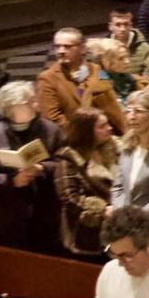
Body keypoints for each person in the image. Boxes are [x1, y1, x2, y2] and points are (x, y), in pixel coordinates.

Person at [0, 83, 63, 256]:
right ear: (12, 107)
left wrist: (41, 168)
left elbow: (64, 165)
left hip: (44, 216)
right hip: (6, 220)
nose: (37, 104)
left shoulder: (51, 130)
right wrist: (11, 181)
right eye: (30, 101)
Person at [54, 108, 119, 257]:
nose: (109, 128)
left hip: (117, 231)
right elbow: (69, 198)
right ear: (86, 131)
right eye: (102, 126)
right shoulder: (69, 158)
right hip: (86, 235)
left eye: (108, 124)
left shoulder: (115, 149)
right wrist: (103, 210)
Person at [113, 87, 149, 211]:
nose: (131, 117)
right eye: (128, 111)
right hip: (126, 222)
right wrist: (123, 214)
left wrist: (138, 219)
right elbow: (118, 187)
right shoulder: (127, 148)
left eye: (138, 111)